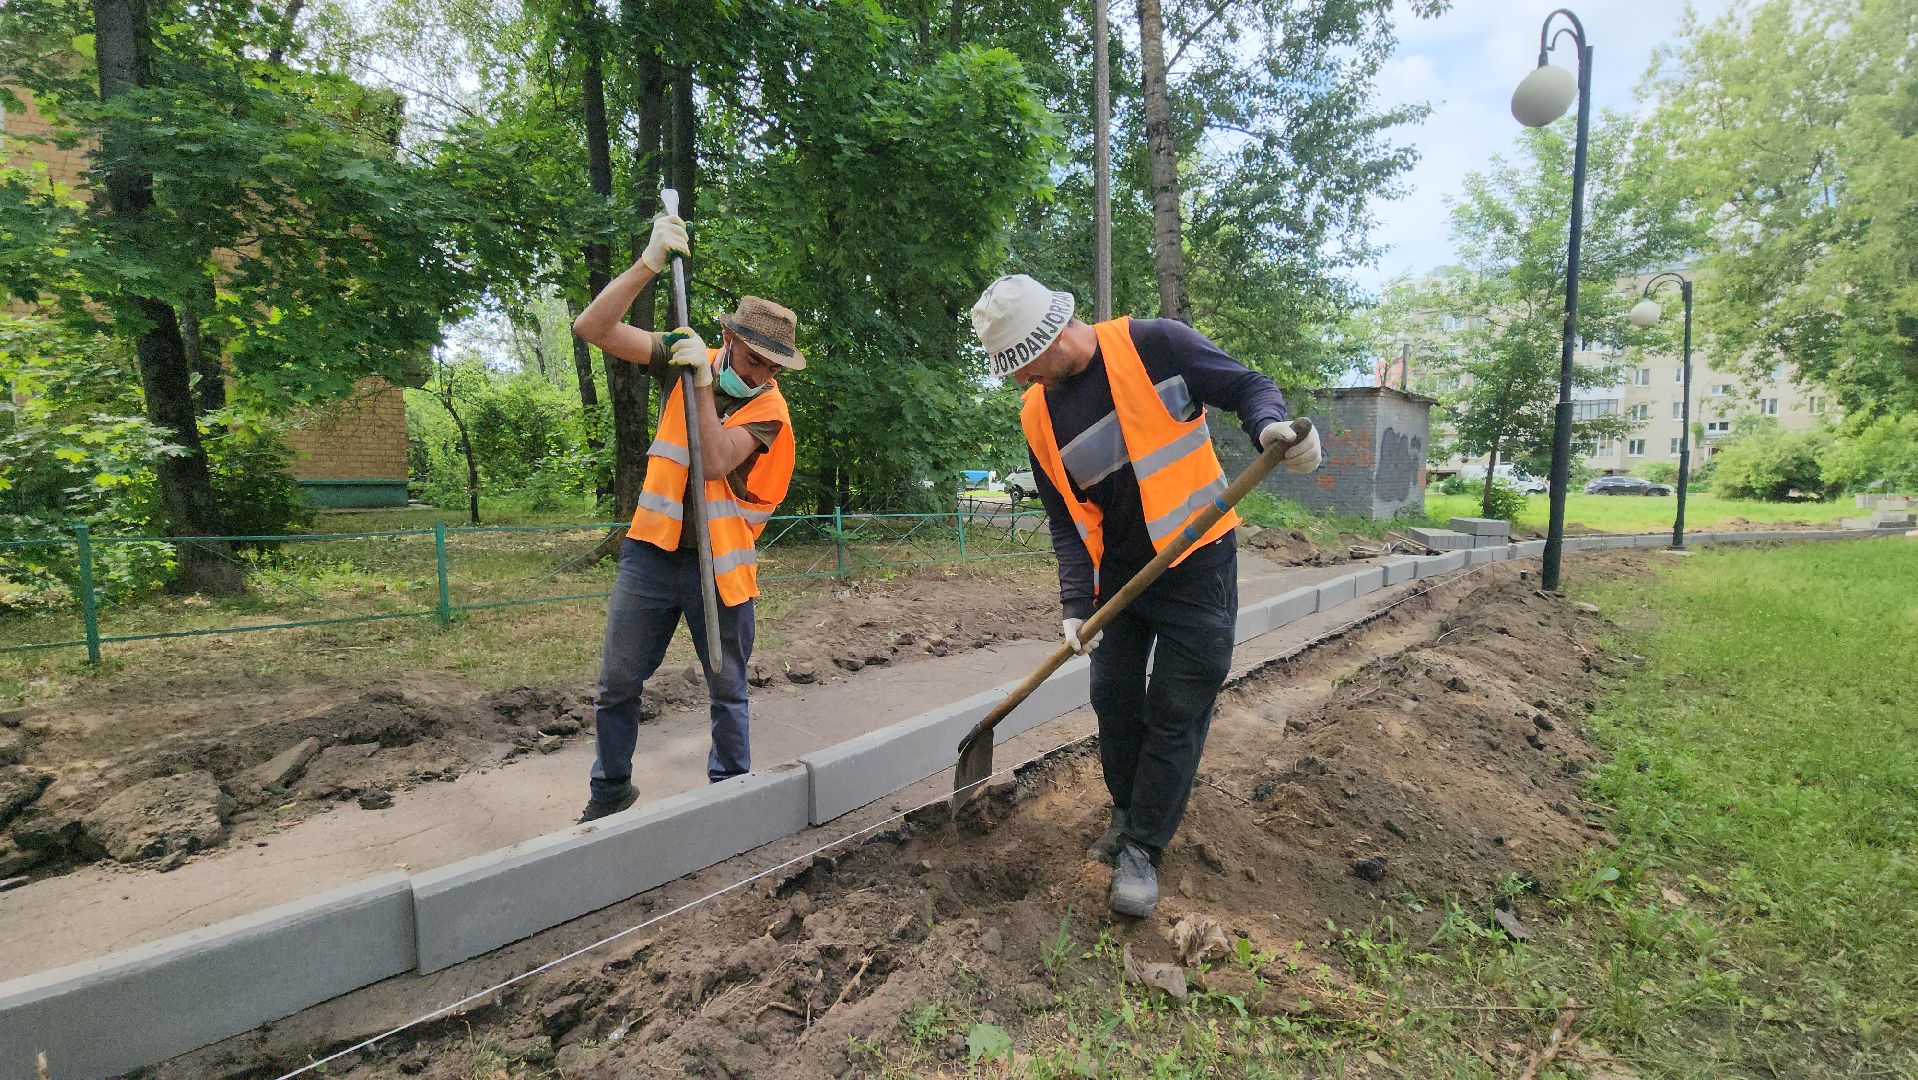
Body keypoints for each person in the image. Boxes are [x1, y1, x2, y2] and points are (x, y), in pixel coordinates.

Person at [970, 274, 1321, 916]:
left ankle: (1143, 846)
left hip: (1197, 564)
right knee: (1113, 698)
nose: (1021, 379)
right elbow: (1065, 520)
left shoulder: (1155, 344)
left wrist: (1269, 426)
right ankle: (1127, 811)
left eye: (1024, 363)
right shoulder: (1038, 415)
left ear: (1052, 335)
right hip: (1120, 579)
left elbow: (1248, 386)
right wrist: (1075, 605)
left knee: (1176, 708)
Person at [570, 212, 805, 822]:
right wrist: (648, 264)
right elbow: (592, 328)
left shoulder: (771, 413)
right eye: (754, 359)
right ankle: (610, 793)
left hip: (720, 572)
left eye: (773, 367)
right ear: (728, 338)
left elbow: (716, 460)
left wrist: (701, 381)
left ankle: (730, 799)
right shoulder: (685, 357)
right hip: (651, 556)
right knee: (617, 683)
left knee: (727, 689)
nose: (761, 375)